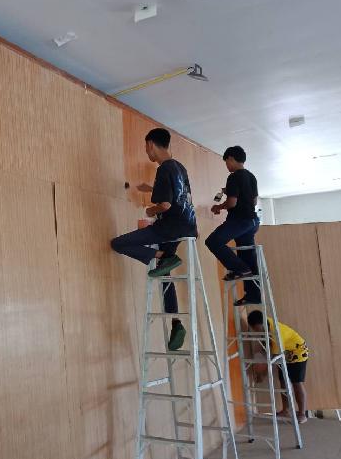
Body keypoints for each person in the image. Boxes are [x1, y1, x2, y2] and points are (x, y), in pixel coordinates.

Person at [111, 128, 197, 351]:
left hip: (169, 228)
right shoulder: (179, 167)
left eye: (146, 147)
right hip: (187, 227)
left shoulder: (164, 168)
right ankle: (176, 322)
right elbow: (177, 196)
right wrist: (150, 189)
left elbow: (165, 205)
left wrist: (149, 211)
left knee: (118, 243)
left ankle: (162, 254)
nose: (146, 152)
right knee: (164, 271)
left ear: (150, 144)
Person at [206, 146, 261, 306]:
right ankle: (254, 295)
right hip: (253, 222)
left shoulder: (234, 177)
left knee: (213, 241)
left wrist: (218, 207)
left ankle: (238, 269)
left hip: (239, 220)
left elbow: (232, 203)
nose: (227, 166)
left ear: (230, 158)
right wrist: (232, 192)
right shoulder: (251, 176)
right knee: (247, 256)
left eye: (226, 162)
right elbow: (254, 201)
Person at [247, 310, 309, 424]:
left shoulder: (276, 334)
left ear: (262, 324)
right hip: (284, 352)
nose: (256, 331)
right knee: (283, 381)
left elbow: (272, 359)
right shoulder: (265, 324)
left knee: (296, 382)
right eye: (254, 329)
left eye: (257, 329)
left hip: (298, 351)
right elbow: (266, 346)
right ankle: (286, 410)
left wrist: (262, 374)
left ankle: (302, 414)